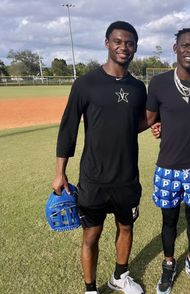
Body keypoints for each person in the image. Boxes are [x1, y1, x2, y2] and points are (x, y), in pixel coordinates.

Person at [52, 21, 147, 294]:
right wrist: (60, 172)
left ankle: (119, 276)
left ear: (135, 47)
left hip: (127, 177)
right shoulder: (85, 83)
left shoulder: (138, 87)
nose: (123, 47)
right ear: (107, 43)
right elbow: (68, 128)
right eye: (118, 41)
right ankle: (90, 288)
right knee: (91, 235)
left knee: (126, 228)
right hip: (93, 177)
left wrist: (152, 124)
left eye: (129, 43)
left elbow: (135, 122)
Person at [146, 28, 190, 294]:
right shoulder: (160, 83)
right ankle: (168, 263)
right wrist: (158, 126)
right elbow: (151, 117)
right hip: (167, 167)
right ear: (175, 48)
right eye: (185, 45)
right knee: (169, 221)